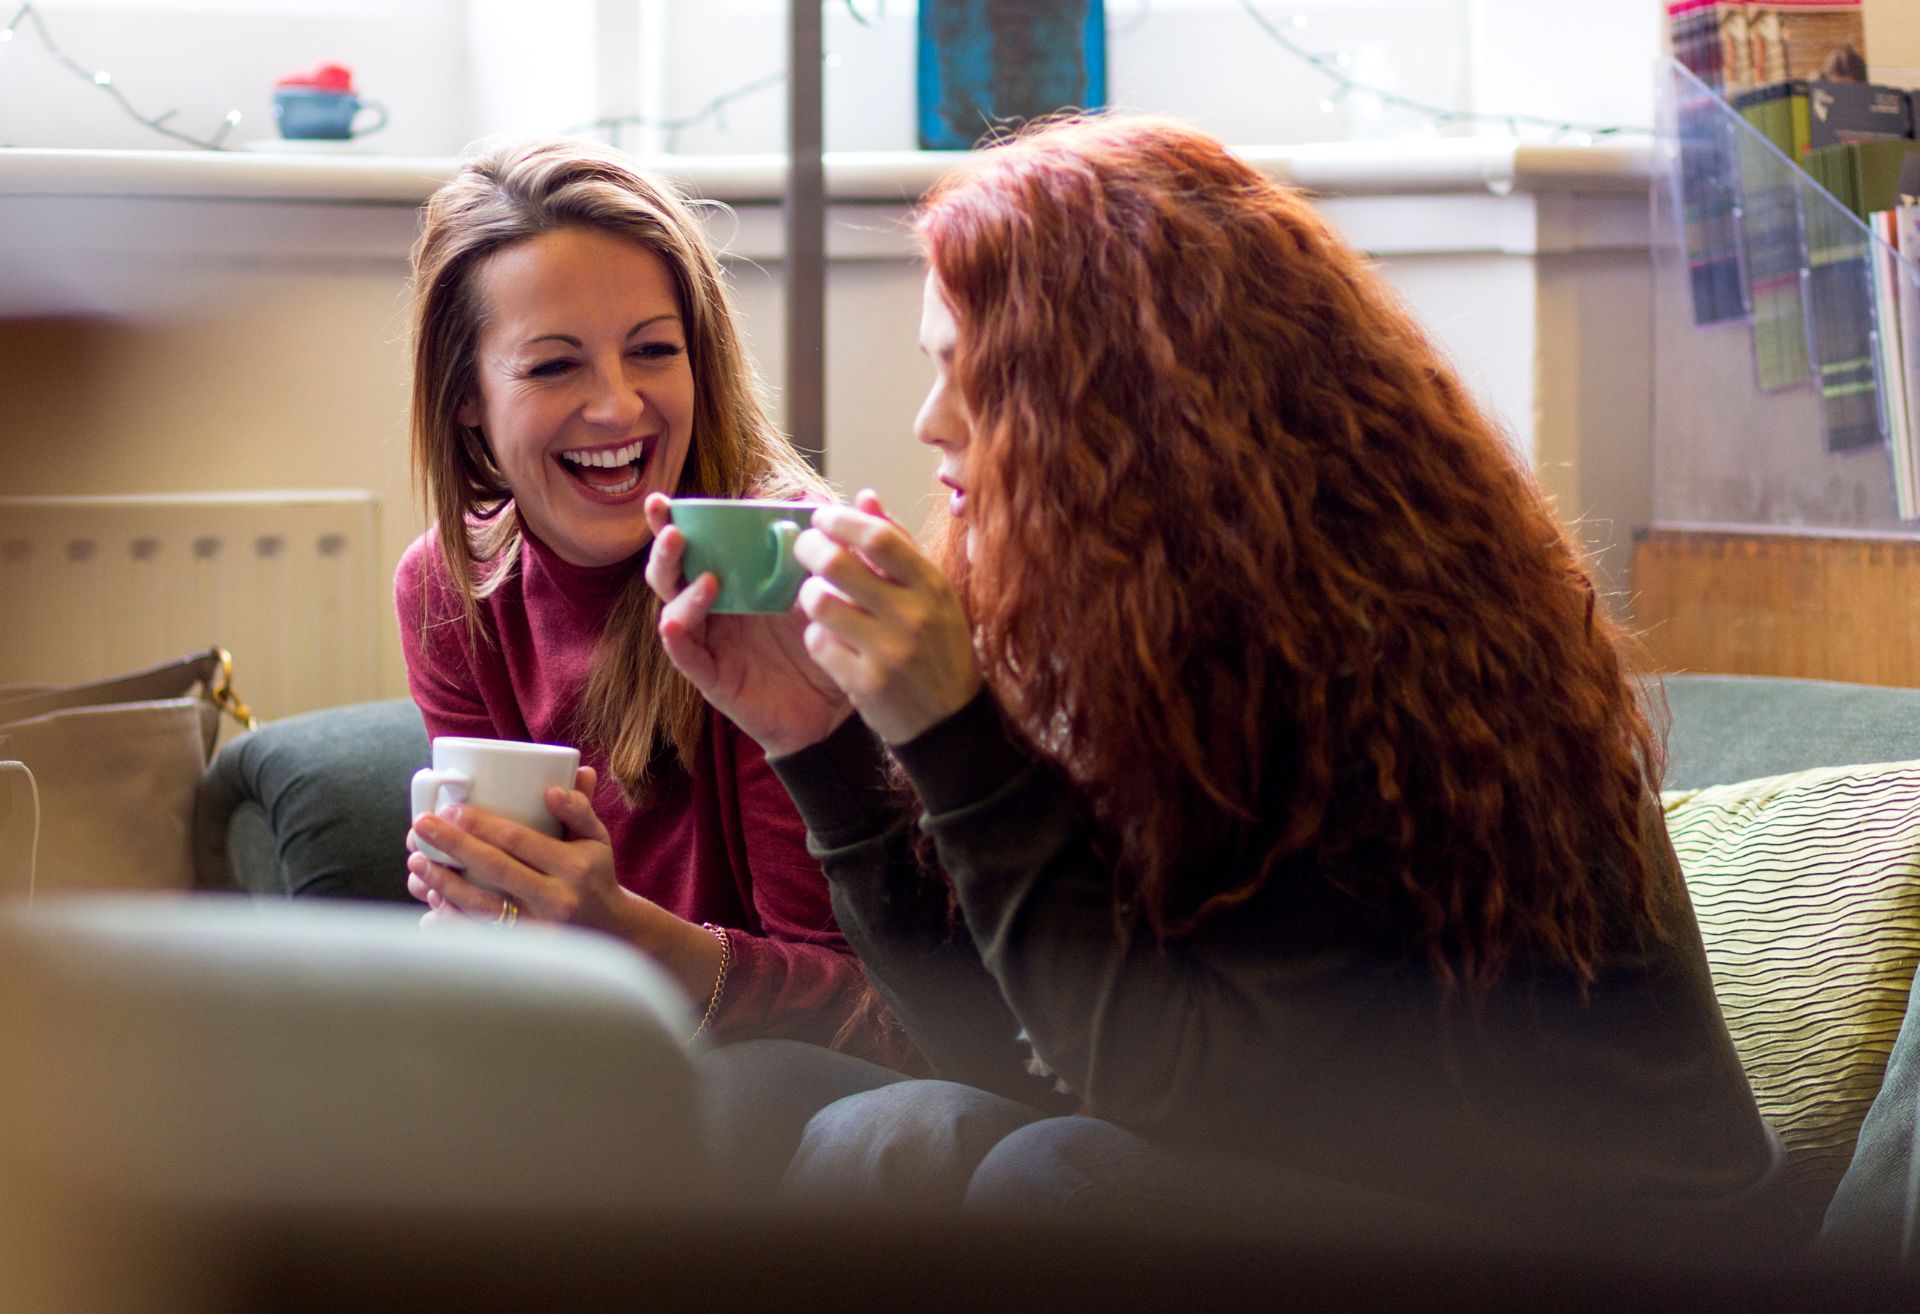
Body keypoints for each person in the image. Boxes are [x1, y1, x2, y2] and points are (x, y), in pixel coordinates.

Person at [643, 114, 1795, 1250]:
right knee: (834, 1111)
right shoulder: (1122, 638)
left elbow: (1166, 1088)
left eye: (970, 374)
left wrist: (951, 735)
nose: (927, 421)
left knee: (1055, 1178)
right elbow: (1005, 1050)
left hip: (1602, 1243)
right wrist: (818, 740)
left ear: (1116, 406)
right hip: (1329, 1175)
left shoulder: (1375, 662)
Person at [397, 137, 905, 1062]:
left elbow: (875, 1010)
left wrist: (620, 932)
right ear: (465, 395)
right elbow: (526, 924)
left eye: (653, 351)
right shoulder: (448, 589)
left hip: (779, 1072)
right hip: (587, 1047)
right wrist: (490, 910)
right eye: (555, 366)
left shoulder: (776, 564)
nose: (619, 406)